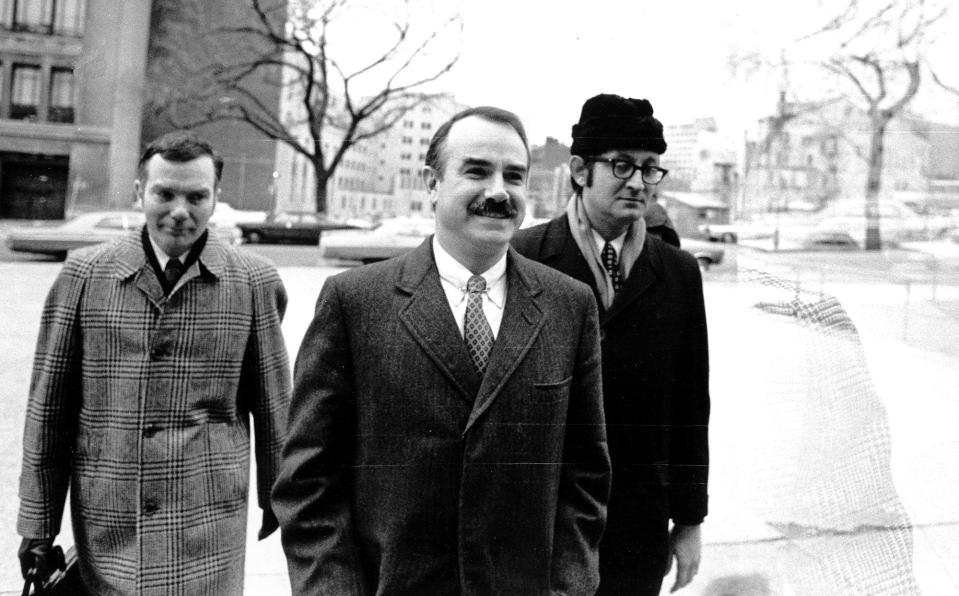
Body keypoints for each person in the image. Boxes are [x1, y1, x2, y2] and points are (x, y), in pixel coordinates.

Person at [272, 106, 611, 595]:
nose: (499, 191)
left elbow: (585, 477)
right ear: (432, 183)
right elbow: (308, 483)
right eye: (477, 170)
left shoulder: (568, 305)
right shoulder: (356, 302)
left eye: (514, 176)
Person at [16, 131, 292, 593]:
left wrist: (278, 496)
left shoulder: (252, 281)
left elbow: (273, 402)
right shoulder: (84, 276)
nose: (180, 211)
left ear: (215, 198)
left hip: (208, 516)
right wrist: (37, 520)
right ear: (139, 191)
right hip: (110, 514)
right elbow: (49, 409)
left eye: (196, 196)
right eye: (165, 193)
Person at [512, 94, 710, 595]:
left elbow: (690, 405)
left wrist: (689, 520)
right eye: (622, 165)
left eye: (650, 169)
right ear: (580, 170)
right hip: (539, 521)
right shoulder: (524, 257)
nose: (639, 182)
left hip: (638, 523)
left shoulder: (678, 273)